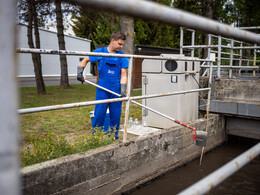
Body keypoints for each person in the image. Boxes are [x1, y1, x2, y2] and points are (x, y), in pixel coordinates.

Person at [77, 31, 129, 140]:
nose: (121, 46)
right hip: (102, 89)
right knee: (99, 114)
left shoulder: (123, 57)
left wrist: (123, 89)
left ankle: (113, 138)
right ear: (112, 41)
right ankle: (96, 138)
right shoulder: (100, 52)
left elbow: (124, 75)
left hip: (116, 90)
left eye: (122, 44)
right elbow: (85, 60)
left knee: (115, 115)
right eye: (119, 44)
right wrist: (80, 72)